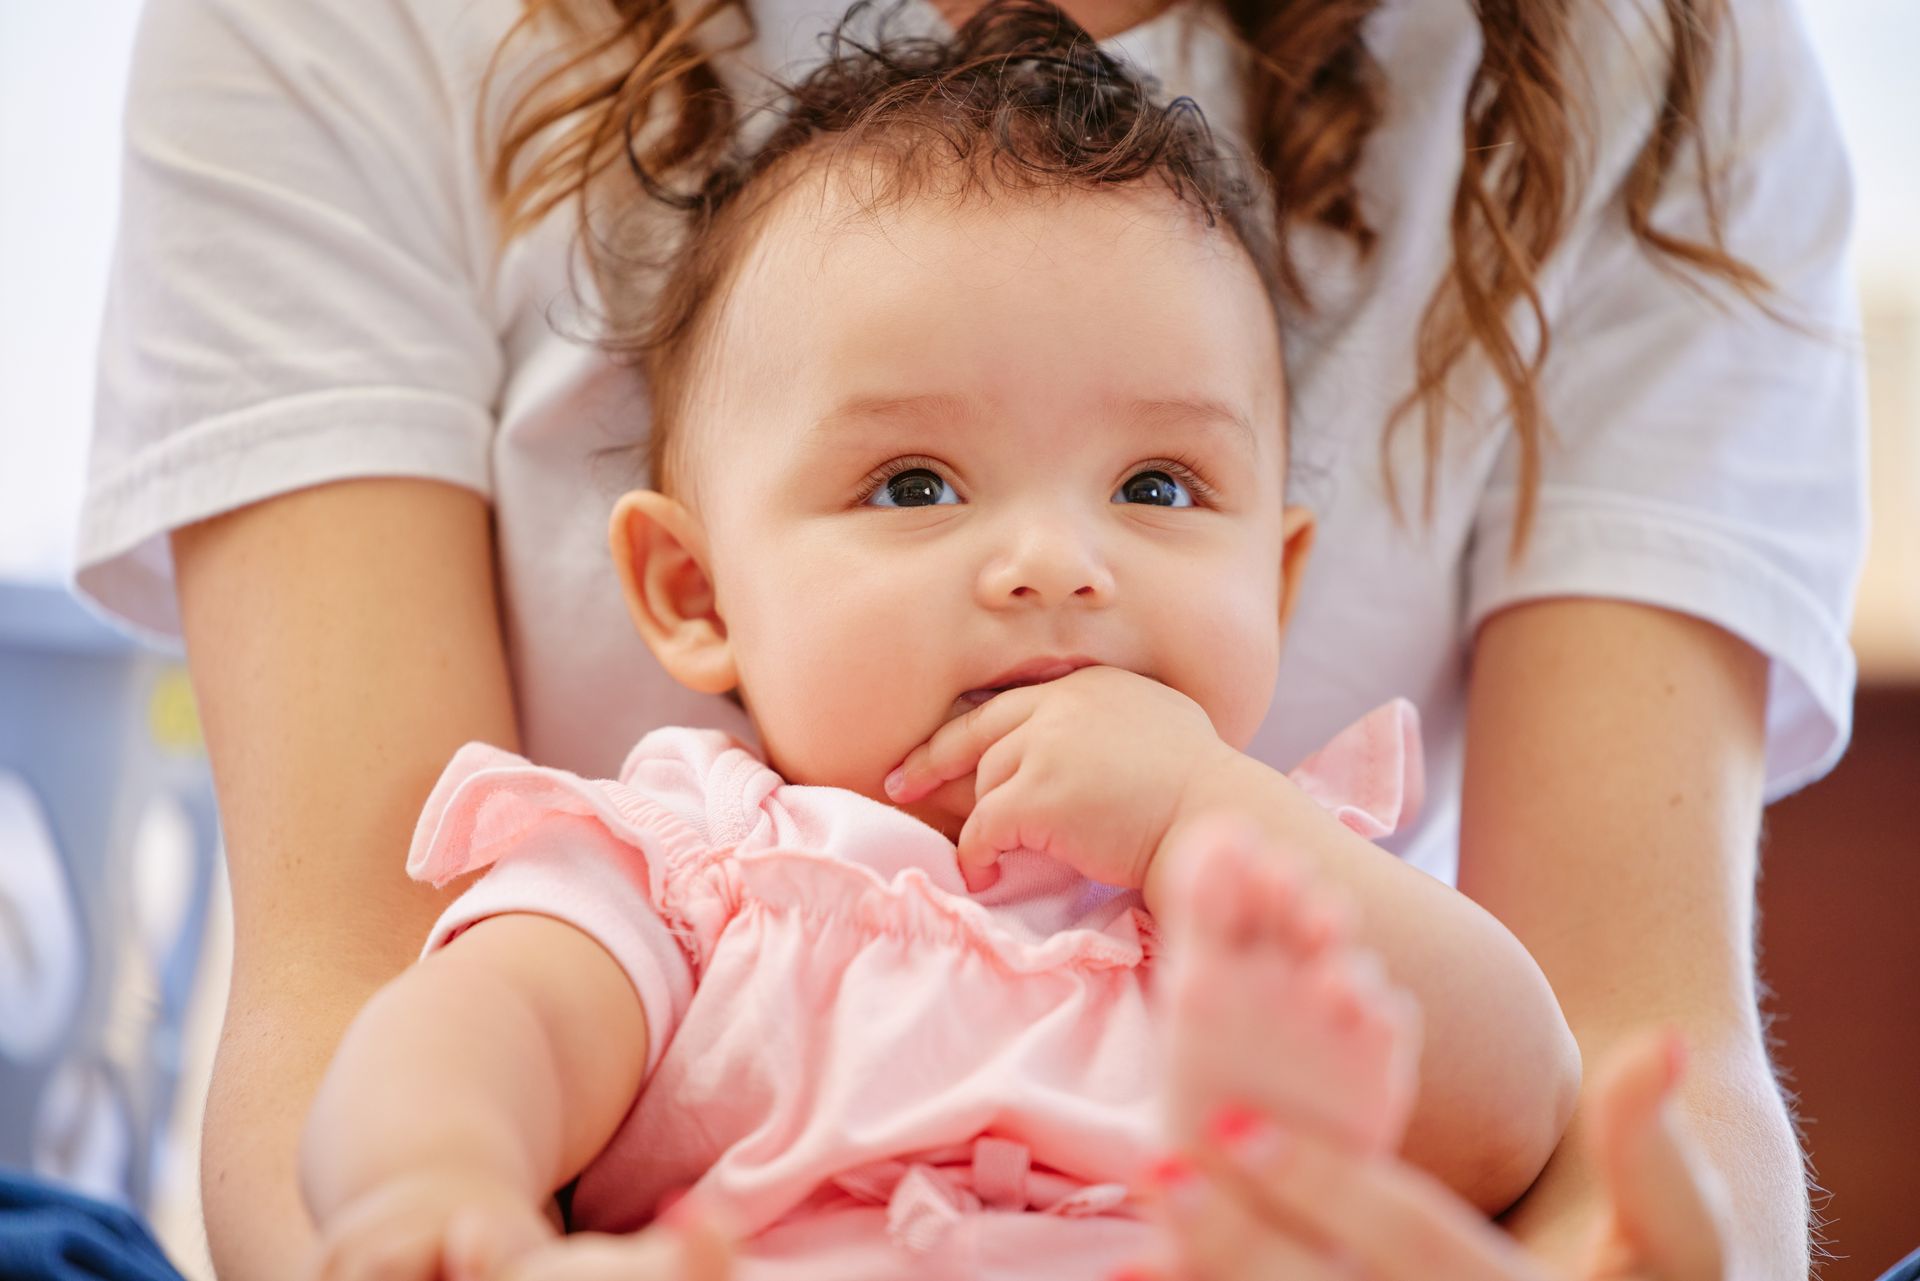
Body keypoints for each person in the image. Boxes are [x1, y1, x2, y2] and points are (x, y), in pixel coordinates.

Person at [76, 0, 1864, 1272]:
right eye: (918, 483)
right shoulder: (694, 869)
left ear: (1285, 579)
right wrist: (443, 1193)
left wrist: (1206, 827)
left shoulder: (1271, 891)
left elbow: (1523, 1096)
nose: (1053, 563)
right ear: (694, 594)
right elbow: (464, 1025)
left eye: (1160, 489)